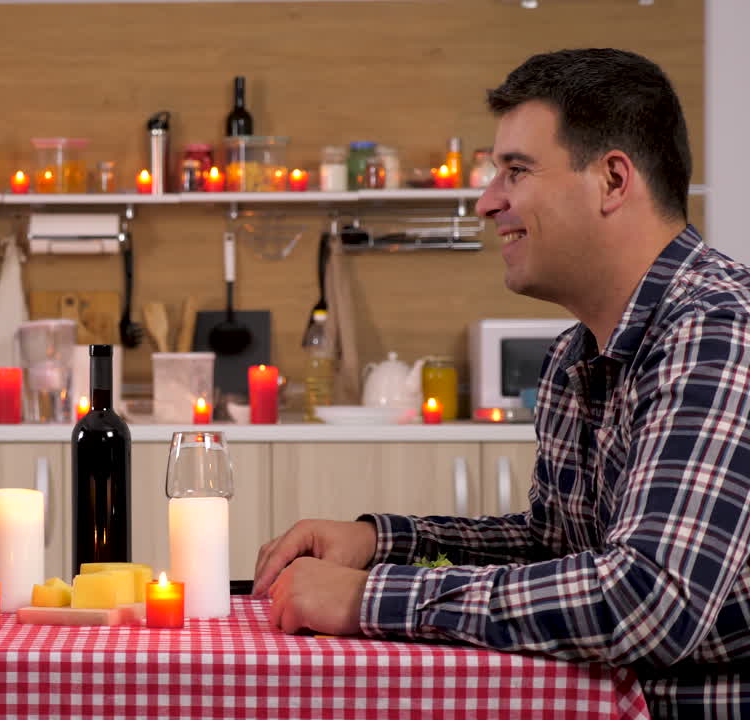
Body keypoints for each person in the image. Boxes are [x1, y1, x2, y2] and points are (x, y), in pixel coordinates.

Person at [253, 48, 750, 718]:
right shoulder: (576, 355)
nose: (488, 202)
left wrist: (368, 598)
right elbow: (555, 546)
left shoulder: (716, 329)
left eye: (515, 172)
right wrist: (382, 542)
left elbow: (649, 596)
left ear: (612, 180)